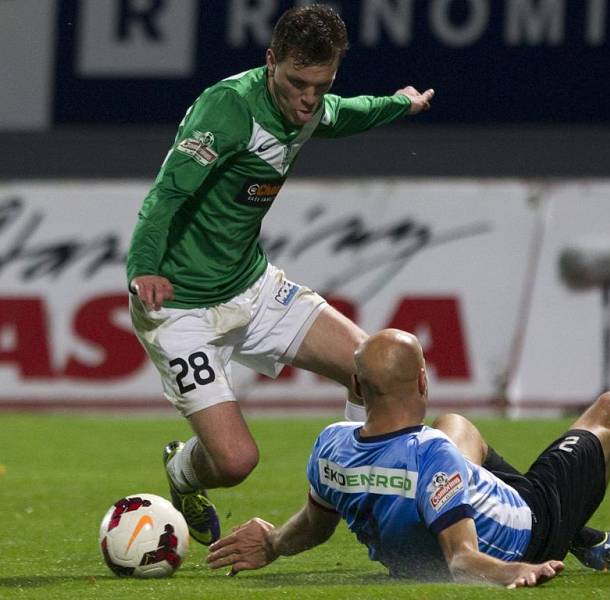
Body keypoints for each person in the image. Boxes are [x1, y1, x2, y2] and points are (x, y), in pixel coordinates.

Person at [125, 4, 435, 546]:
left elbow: (347, 112)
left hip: (253, 287)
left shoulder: (311, 105)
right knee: (237, 461)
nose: (307, 98)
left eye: (321, 83)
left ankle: (360, 501)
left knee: (375, 373)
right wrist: (144, 267)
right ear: (271, 62)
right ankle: (182, 471)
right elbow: (168, 191)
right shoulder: (228, 109)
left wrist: (397, 104)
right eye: (296, 83)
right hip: (179, 308)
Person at [206, 284, 610, 588]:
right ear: (422, 380)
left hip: (431, 516)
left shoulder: (332, 444)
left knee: (457, 425)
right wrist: (514, 568)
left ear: (355, 385)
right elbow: (462, 559)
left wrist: (273, 542)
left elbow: (315, 527)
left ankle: (592, 542)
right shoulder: (433, 459)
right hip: (535, 523)